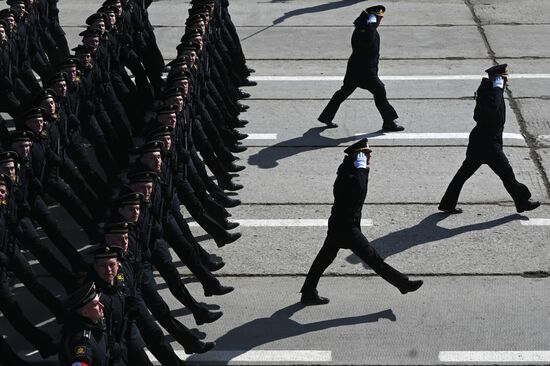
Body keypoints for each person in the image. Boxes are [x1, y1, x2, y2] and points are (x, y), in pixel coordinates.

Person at [300, 138, 423, 305]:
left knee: (324, 260)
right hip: (346, 227)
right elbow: (359, 190)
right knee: (373, 258)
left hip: (341, 224)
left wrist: (361, 170)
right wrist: (361, 170)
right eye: (365, 153)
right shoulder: (349, 175)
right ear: (357, 156)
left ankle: (308, 292)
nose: (369, 156)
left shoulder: (349, 171)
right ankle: (402, 283)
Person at [438, 64, 540, 214]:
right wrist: (498, 89)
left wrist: (497, 89)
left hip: (481, 141)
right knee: (507, 174)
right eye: (504, 79)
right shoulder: (491, 93)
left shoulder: (487, 90)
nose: (507, 82)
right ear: (498, 80)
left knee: (463, 174)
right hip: (488, 144)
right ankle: (522, 201)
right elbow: (492, 111)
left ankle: (447, 203)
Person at [317, 5, 404, 131]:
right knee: (380, 91)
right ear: (371, 17)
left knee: (343, 92)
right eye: (377, 18)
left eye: (380, 18)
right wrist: (370, 25)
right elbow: (367, 42)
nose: (379, 21)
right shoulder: (364, 29)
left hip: (356, 69)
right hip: (364, 71)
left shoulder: (365, 27)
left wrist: (370, 24)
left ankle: (326, 116)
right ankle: (388, 122)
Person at [59, 282, 110, 366]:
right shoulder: (82, 342)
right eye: (96, 304)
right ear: (85, 313)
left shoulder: (95, 323)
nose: (102, 306)